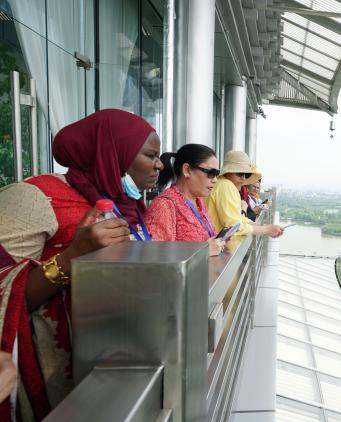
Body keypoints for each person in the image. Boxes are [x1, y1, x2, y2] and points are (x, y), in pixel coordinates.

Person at [0, 109, 163, 420]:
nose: (159, 165)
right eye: (150, 155)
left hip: (115, 369)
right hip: (51, 387)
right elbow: (3, 288)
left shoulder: (129, 208)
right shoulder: (36, 197)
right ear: (113, 152)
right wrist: (72, 258)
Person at [145, 144, 224, 255]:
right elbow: (156, 256)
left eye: (217, 174)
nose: (215, 180)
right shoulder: (165, 205)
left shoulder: (199, 201)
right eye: (211, 173)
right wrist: (203, 251)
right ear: (187, 170)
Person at [206, 151, 283, 238]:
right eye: (239, 173)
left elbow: (237, 219)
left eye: (246, 174)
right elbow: (233, 227)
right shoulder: (226, 186)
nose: (243, 178)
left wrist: (265, 227)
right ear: (228, 172)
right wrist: (266, 230)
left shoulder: (223, 184)